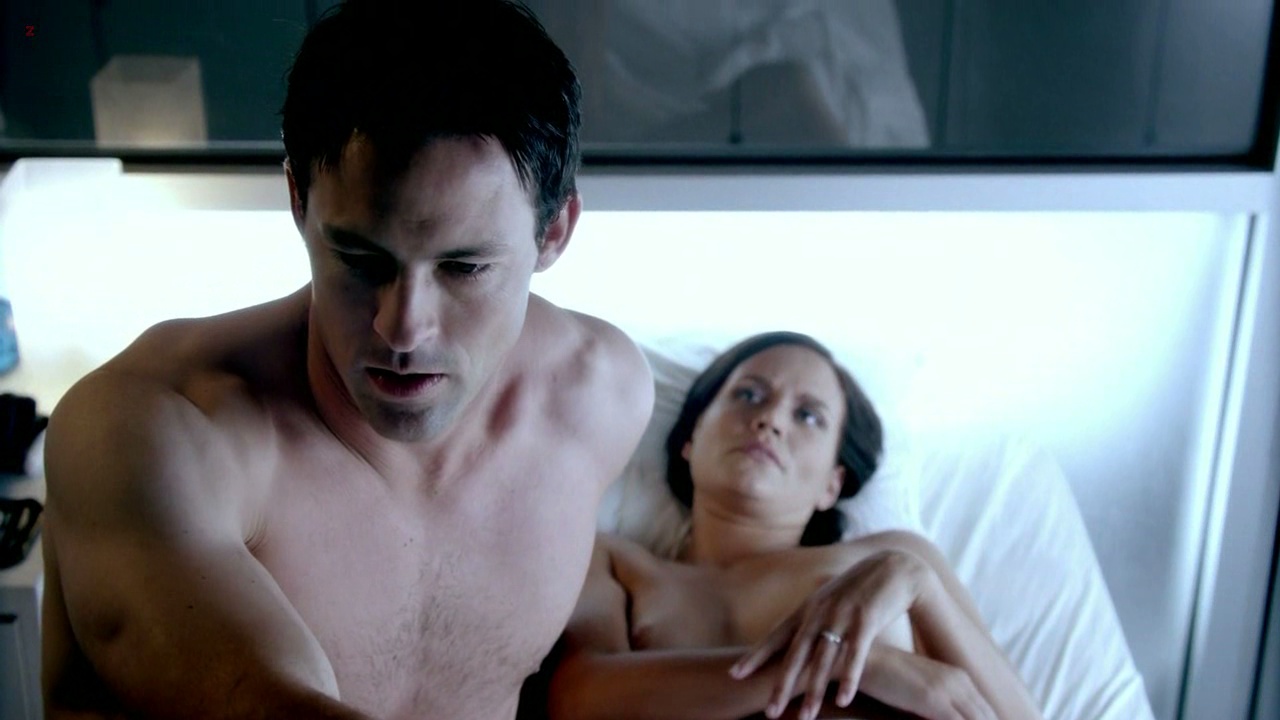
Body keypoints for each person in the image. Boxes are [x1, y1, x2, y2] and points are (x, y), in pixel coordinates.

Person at [39, 2, 653, 718]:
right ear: (298, 200)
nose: (403, 328)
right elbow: (261, 702)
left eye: (463, 268)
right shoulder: (149, 428)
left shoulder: (600, 397)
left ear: (554, 233)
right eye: (361, 260)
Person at [544, 332, 1042, 720]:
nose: (772, 420)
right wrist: (850, 665)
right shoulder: (615, 563)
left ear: (832, 483)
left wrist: (917, 582)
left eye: (808, 416)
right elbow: (576, 699)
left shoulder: (894, 561)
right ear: (691, 439)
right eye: (748, 395)